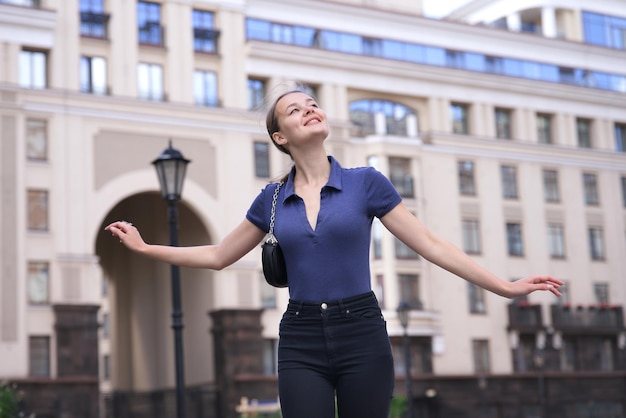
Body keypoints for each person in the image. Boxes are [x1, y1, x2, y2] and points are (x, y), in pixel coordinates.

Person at [105, 90, 563, 418]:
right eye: (294, 110)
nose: (308, 110)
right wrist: (145, 248)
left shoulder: (366, 182)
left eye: (312, 104)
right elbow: (219, 254)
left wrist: (503, 287)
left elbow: (432, 245)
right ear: (280, 137)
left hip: (362, 331)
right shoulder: (269, 198)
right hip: (301, 338)